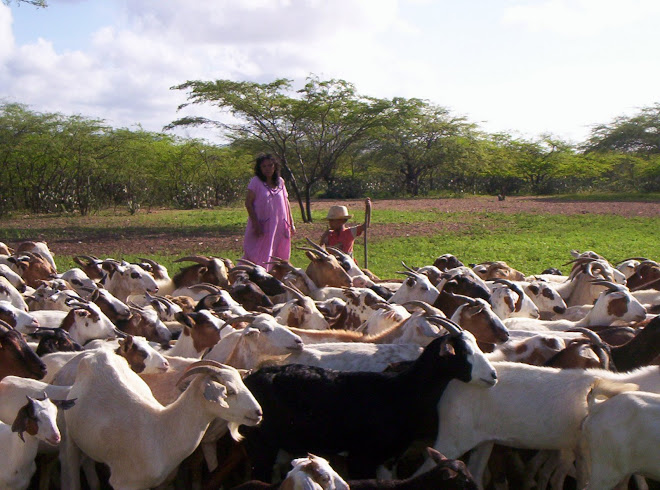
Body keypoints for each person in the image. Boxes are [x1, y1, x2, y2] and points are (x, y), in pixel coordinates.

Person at [242, 154, 295, 270]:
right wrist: (256, 224)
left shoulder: (280, 182)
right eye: (264, 166)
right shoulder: (255, 182)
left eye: (270, 165)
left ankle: (277, 276)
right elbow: (248, 203)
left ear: (275, 166)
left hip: (280, 225)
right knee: (259, 252)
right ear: (260, 168)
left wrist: (291, 223)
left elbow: (286, 202)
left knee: (279, 254)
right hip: (263, 225)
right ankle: (259, 275)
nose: (267, 168)